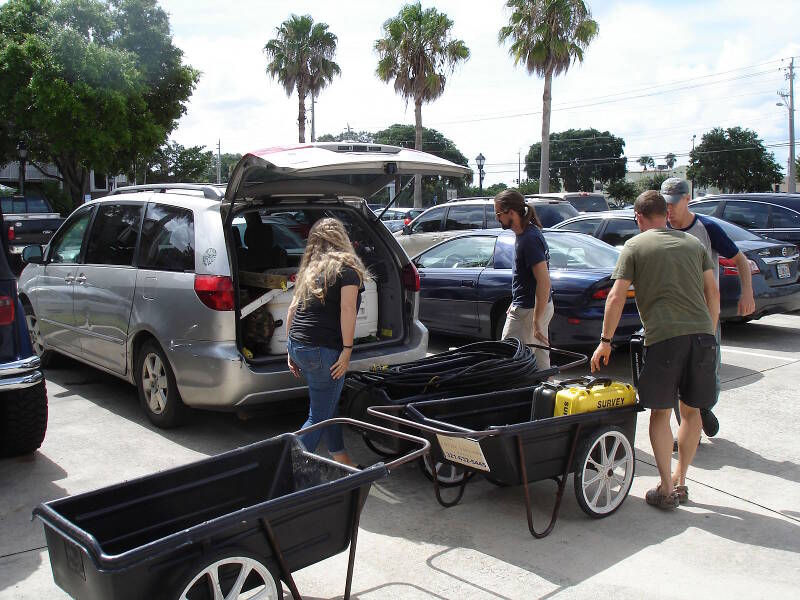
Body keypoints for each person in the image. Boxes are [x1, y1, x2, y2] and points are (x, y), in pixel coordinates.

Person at [591, 190, 719, 509]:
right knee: (691, 413)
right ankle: (681, 480)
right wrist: (709, 330)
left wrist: (605, 341)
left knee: (660, 413)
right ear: (666, 213)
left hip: (664, 338)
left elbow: (616, 297)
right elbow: (712, 292)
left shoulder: (635, 246)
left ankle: (665, 488)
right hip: (703, 336)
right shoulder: (693, 244)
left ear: (639, 217)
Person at [661, 177, 755, 439]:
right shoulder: (660, 228)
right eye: (664, 203)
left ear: (687, 199)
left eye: (673, 203)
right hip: (672, 315)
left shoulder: (707, 228)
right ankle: (688, 430)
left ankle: (702, 408)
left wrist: (747, 293)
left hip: (704, 313)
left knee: (707, 372)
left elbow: (740, 260)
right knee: (678, 374)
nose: (668, 209)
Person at [285, 217, 368, 467]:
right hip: (323, 350)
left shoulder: (311, 270)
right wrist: (347, 350)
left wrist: (291, 351)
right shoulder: (348, 269)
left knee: (327, 406)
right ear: (340, 238)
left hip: (298, 345)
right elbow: (347, 309)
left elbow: (291, 310)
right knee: (319, 416)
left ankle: (342, 460)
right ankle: (285, 468)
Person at [493, 189, 554, 370]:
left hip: (529, 310)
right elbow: (527, 278)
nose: (497, 218)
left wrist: (535, 320)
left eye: (498, 214)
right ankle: (546, 393)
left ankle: (512, 397)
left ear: (510, 212)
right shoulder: (528, 233)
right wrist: (516, 300)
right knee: (540, 359)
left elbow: (543, 281)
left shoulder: (529, 239)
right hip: (531, 306)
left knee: (509, 358)